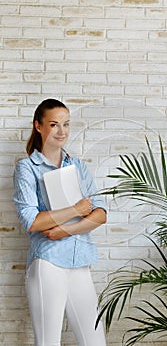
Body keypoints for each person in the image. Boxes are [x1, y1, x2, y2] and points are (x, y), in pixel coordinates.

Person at [13, 98, 107, 346]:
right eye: (54, 124)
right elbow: (32, 221)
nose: (62, 131)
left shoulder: (78, 166)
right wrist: (76, 209)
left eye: (66, 124)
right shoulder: (27, 168)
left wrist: (66, 229)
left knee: (95, 341)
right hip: (48, 263)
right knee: (48, 342)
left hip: (80, 261)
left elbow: (100, 214)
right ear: (38, 126)